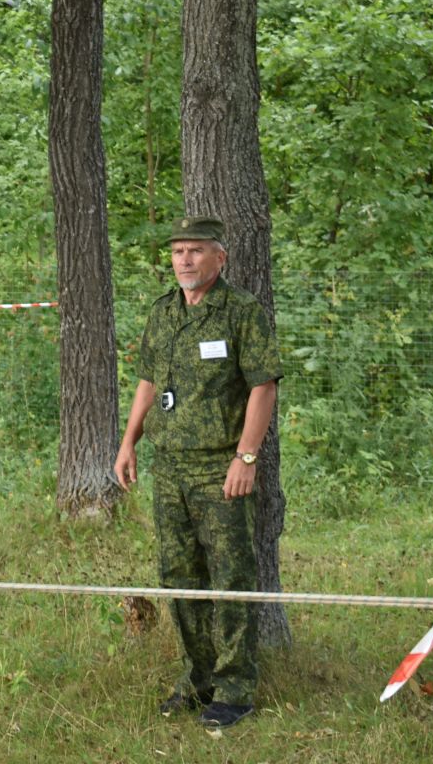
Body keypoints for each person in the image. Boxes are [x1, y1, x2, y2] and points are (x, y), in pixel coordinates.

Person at [114, 216, 281, 730]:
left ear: (220, 258)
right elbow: (147, 380)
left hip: (220, 468)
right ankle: (197, 679)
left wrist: (246, 457)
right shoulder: (163, 312)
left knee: (231, 575)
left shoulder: (241, 312)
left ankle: (235, 688)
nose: (184, 259)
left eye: (196, 251)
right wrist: (129, 442)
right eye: (178, 251)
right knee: (179, 575)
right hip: (170, 468)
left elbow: (264, 386)